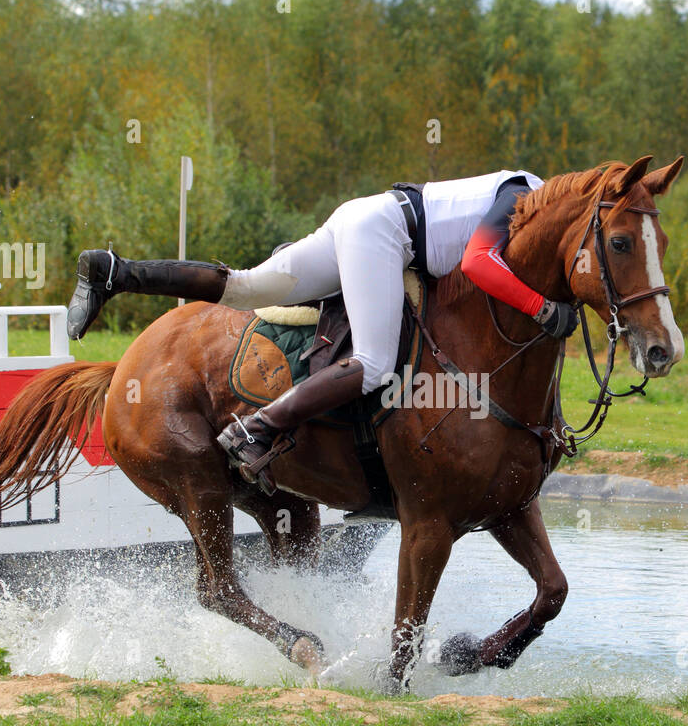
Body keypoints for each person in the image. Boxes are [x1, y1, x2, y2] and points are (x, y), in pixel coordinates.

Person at [65, 170, 578, 491]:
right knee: (375, 364)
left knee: (244, 288)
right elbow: (477, 265)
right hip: (383, 234)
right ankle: (259, 428)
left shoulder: (524, 192)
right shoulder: (522, 196)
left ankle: (115, 271)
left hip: (363, 217)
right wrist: (544, 310)